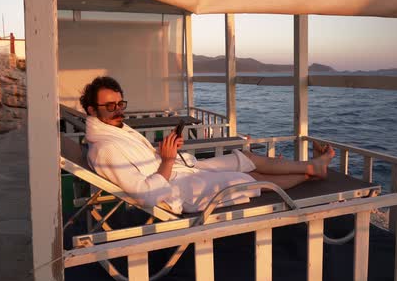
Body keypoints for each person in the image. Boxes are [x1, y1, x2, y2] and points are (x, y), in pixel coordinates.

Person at [81, 76, 335, 214]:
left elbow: (141, 163)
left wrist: (162, 151)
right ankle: (310, 173)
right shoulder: (105, 149)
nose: (118, 110)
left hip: (178, 171)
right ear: (92, 109)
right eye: (109, 106)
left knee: (244, 157)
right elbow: (148, 196)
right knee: (245, 176)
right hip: (180, 190)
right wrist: (168, 160)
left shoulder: (117, 131)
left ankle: (312, 167)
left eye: (120, 104)